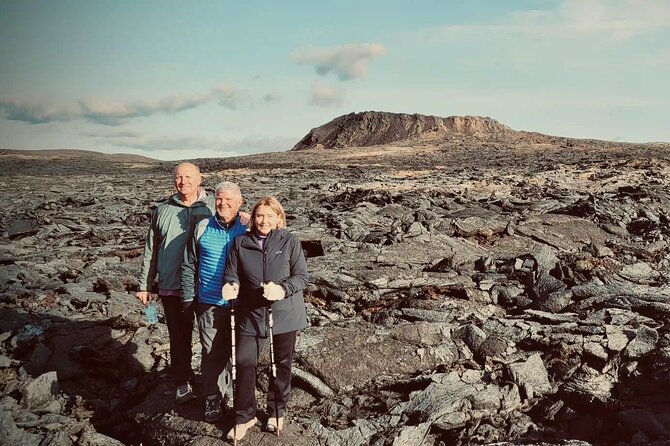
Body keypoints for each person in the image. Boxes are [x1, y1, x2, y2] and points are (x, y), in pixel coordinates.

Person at [136, 163, 249, 404]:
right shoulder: (163, 210)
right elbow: (151, 249)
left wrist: (246, 216)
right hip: (171, 284)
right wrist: (145, 284)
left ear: (200, 179)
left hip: (209, 286)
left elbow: (232, 216)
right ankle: (182, 380)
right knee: (179, 337)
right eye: (178, 177)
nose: (183, 181)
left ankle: (223, 386)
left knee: (217, 338)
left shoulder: (213, 204)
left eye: (188, 176)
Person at [223, 196, 309, 441]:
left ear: (279, 219)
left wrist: (282, 289)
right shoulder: (240, 243)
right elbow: (232, 272)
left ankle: (276, 410)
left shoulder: (290, 241)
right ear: (253, 217)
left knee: (281, 364)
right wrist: (231, 285)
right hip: (249, 315)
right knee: (243, 361)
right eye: (260, 215)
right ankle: (244, 415)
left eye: (270, 216)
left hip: (284, 315)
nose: (264, 220)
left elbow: (302, 276)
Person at [181, 181, 247, 423]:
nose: (223, 203)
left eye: (229, 199)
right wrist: (189, 298)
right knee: (211, 352)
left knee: (238, 352)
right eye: (219, 198)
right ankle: (212, 397)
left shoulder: (248, 227)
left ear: (240, 203)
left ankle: (235, 394)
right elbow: (189, 264)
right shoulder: (201, 227)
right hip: (208, 302)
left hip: (242, 304)